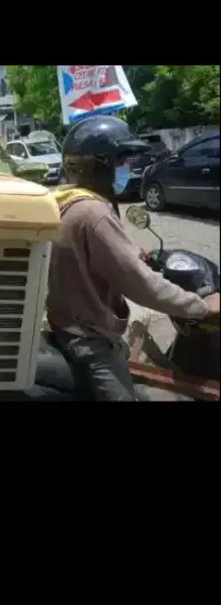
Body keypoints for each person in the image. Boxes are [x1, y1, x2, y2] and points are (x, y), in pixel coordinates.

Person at [47, 115, 220, 401]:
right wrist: (200, 308)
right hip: (88, 338)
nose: (126, 168)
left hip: (65, 320)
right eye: (120, 161)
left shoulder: (66, 202)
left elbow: (87, 253)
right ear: (96, 165)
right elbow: (140, 284)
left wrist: (135, 252)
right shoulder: (94, 214)